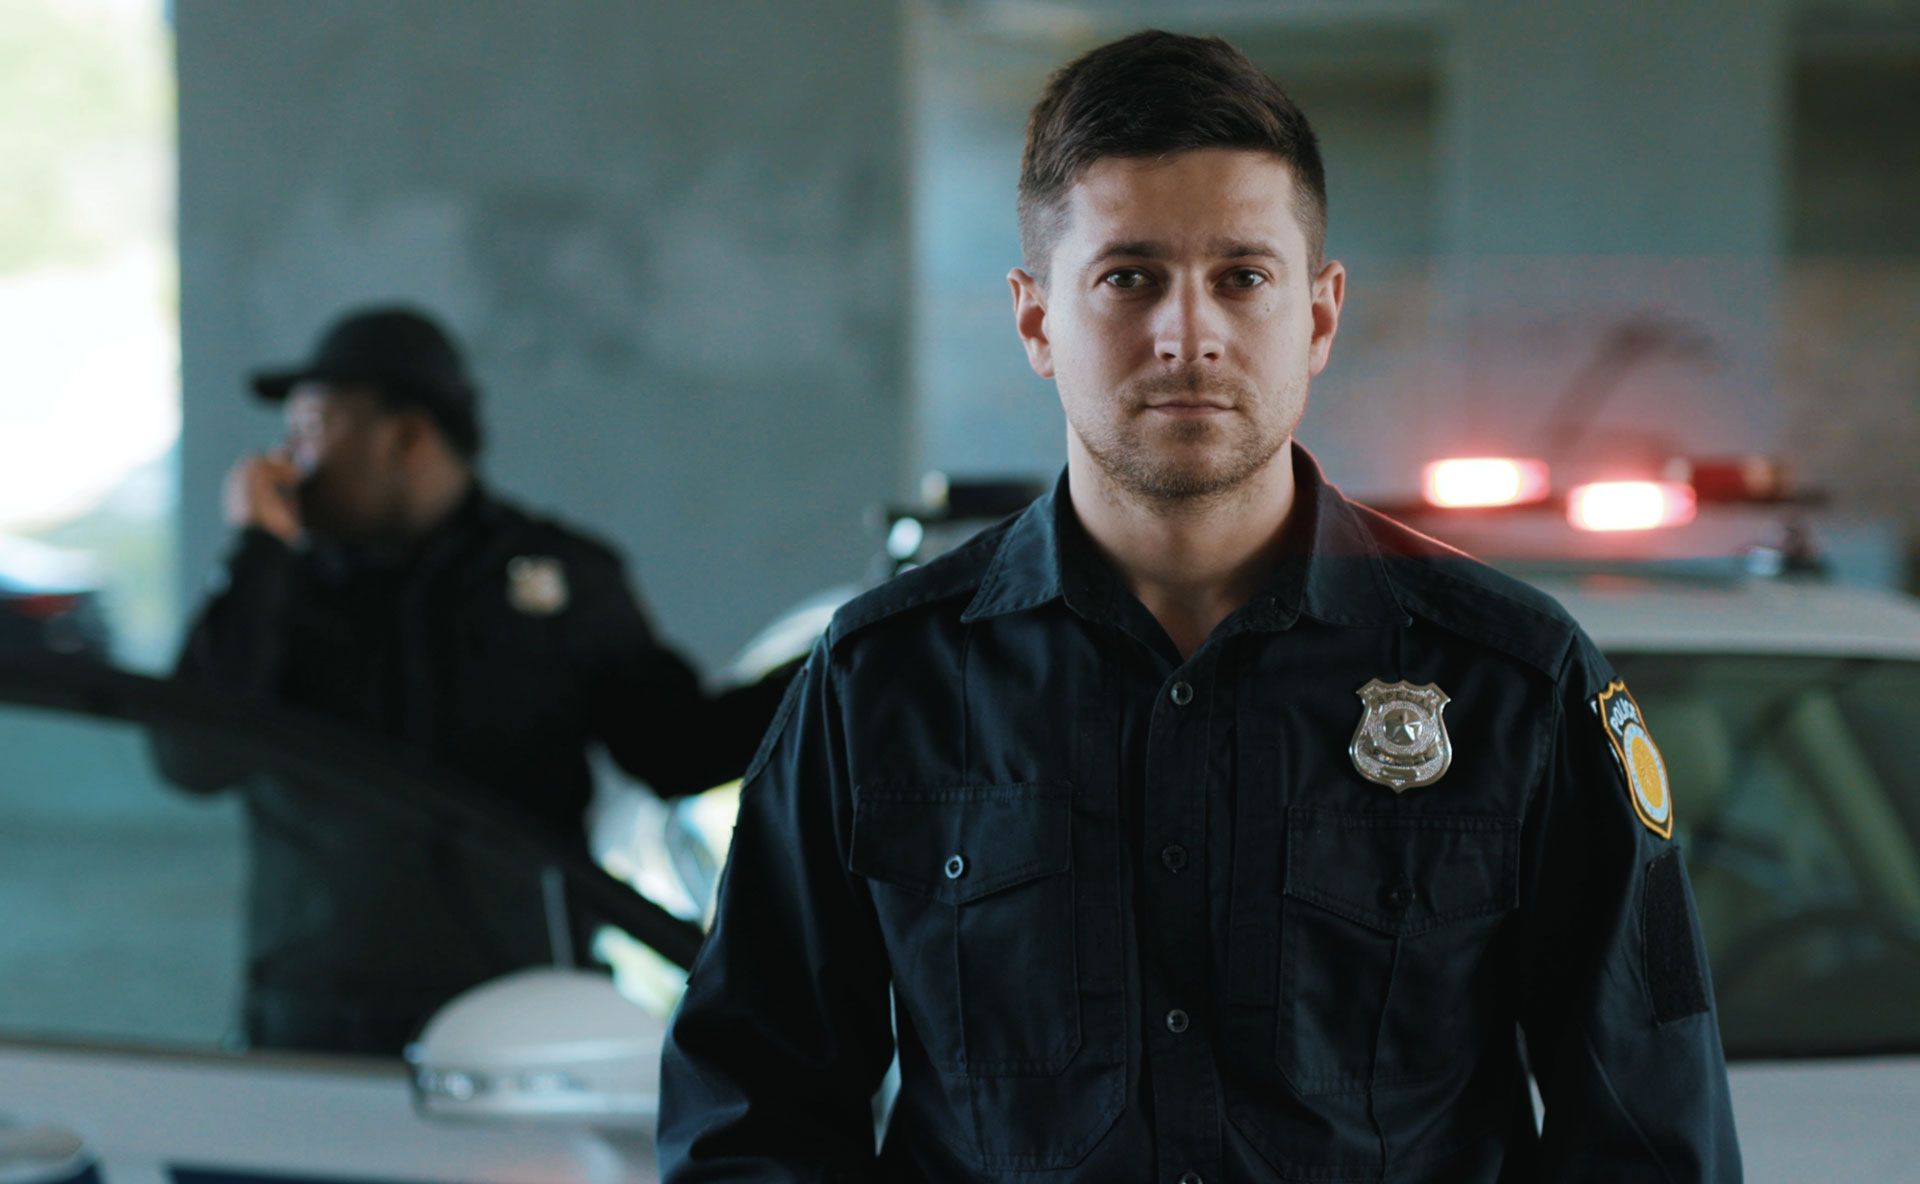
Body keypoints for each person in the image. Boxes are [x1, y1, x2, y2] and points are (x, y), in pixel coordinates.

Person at [658, 30, 1741, 1183]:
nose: (1188, 335)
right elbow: (751, 1116)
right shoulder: (883, 681)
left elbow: (1649, 1140)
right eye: (1129, 276)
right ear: (1036, 320)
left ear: (1319, 315)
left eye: (1242, 276)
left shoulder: (1515, 682)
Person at [156, 304, 791, 1056]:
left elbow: (679, 749)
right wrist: (256, 552)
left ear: (406, 436)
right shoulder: (276, 592)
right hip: (317, 1023)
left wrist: (842, 662)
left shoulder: (559, 578)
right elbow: (193, 759)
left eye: (314, 428)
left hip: (520, 1019)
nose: (287, 462)